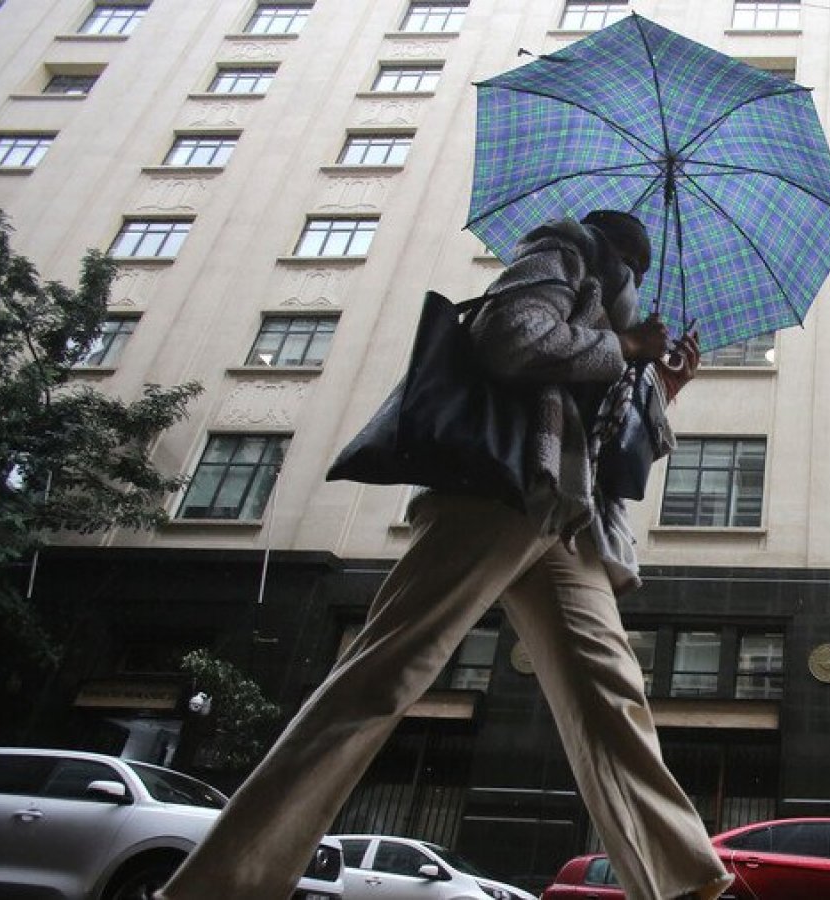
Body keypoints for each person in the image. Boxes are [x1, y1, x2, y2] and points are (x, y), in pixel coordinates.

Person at [156, 210, 733, 900]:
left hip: (566, 515)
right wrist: (624, 345)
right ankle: (221, 886)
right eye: (633, 243)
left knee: (612, 696)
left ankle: (683, 882)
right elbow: (511, 340)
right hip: (504, 490)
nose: (643, 251)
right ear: (612, 234)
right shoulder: (563, 251)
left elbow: (605, 435)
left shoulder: (619, 303)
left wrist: (659, 387)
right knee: (385, 674)